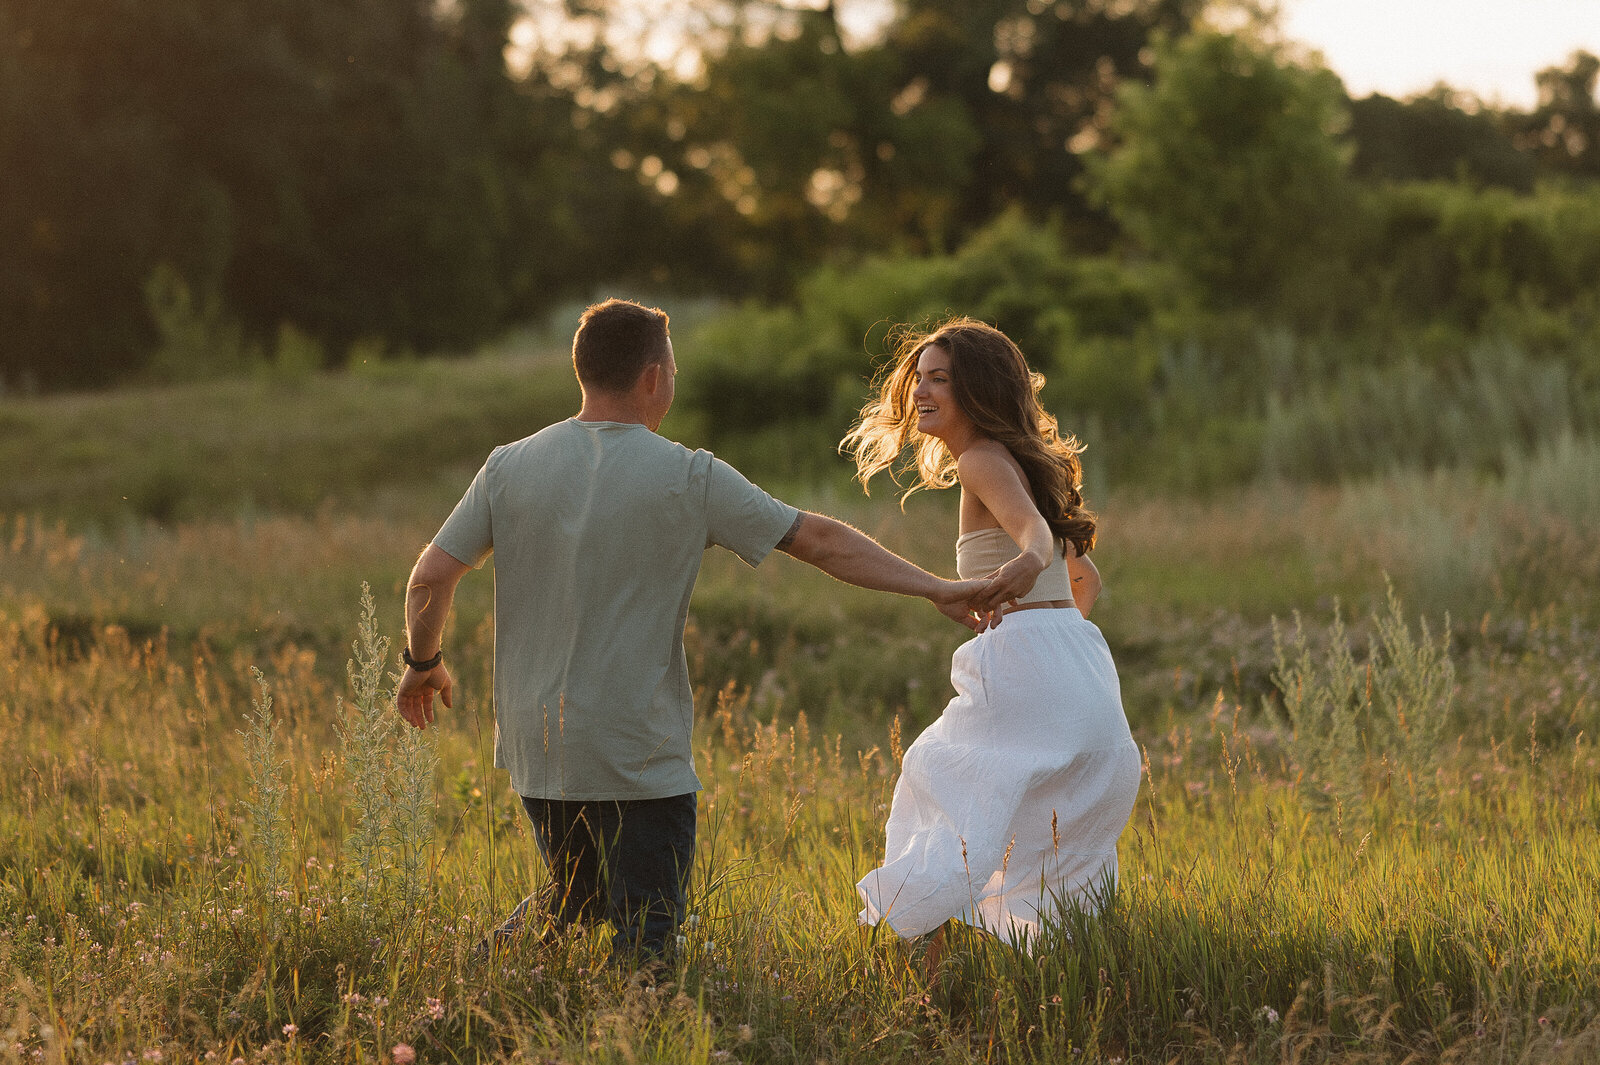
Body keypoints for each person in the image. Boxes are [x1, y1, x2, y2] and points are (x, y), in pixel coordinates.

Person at [394, 298, 995, 968]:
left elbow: (429, 577)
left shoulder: (508, 465)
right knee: (648, 936)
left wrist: (423, 661)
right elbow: (820, 541)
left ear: (583, 370)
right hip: (636, 753)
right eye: (672, 370)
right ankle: (629, 1028)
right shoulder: (689, 474)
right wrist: (937, 586)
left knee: (578, 896)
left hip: (540, 745)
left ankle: (480, 973)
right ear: (653, 377)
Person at [843, 317, 1142, 952]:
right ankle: (1028, 949)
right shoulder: (1022, 464)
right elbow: (1084, 582)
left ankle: (914, 943)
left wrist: (1030, 567)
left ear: (976, 390)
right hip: (1082, 663)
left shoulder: (981, 459)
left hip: (1034, 656)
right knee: (1032, 818)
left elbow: (1035, 536)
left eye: (941, 380)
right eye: (919, 378)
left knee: (940, 783)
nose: (922, 392)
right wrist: (1052, 644)